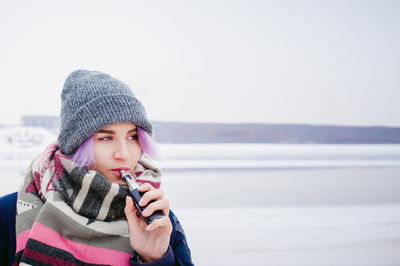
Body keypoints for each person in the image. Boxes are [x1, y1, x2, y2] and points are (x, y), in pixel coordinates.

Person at [0, 70, 193, 265]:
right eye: (106, 138)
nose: (124, 154)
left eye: (132, 136)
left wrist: (156, 258)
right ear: (76, 145)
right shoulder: (10, 213)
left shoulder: (158, 222)